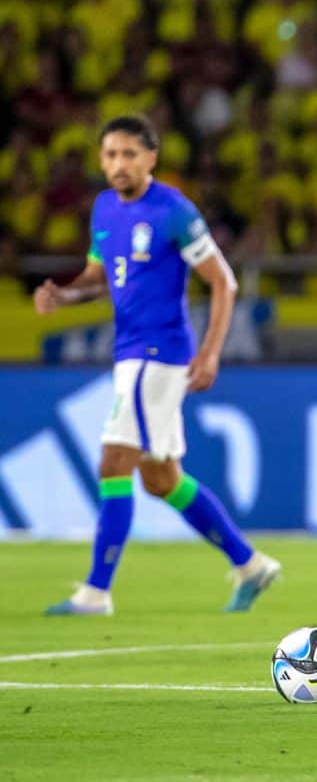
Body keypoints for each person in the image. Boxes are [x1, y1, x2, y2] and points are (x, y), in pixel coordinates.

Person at [34, 115, 280, 616]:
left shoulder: (173, 211)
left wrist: (210, 351)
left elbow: (223, 282)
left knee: (113, 462)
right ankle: (251, 565)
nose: (117, 164)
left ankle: (95, 593)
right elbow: (99, 277)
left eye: (128, 154)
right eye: (109, 155)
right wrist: (65, 294)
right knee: (161, 478)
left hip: (158, 354)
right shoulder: (104, 208)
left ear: (151, 158)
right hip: (130, 353)